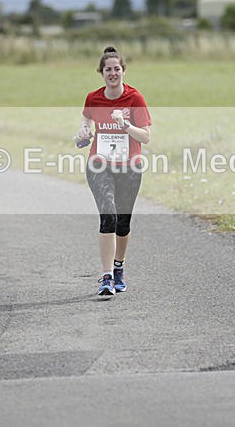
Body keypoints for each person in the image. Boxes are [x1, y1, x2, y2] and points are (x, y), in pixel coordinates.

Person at [75, 46, 152, 296]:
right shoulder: (93, 98)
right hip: (100, 164)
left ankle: (119, 267)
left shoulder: (135, 99)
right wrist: (84, 132)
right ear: (101, 72)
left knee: (123, 222)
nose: (113, 73)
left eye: (117, 69)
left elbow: (146, 137)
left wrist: (126, 124)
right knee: (108, 215)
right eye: (108, 69)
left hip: (129, 166)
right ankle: (106, 276)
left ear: (123, 70)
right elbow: (86, 121)